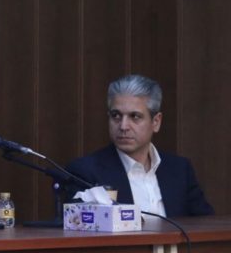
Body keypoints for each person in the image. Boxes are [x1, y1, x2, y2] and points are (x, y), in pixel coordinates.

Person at [66, 74, 213, 217]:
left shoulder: (179, 169)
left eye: (135, 117)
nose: (123, 126)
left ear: (156, 122)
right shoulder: (86, 171)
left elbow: (205, 224)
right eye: (116, 115)